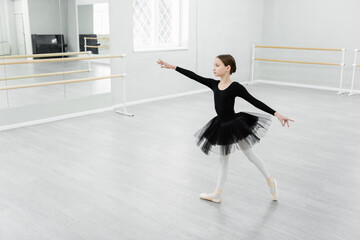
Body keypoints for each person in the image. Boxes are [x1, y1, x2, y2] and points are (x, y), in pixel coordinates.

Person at [157, 55, 294, 203]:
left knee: (250, 156)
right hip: (221, 126)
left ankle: (270, 180)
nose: (213, 68)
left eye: (217, 65)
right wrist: (173, 67)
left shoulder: (236, 87)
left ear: (227, 68)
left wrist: (276, 114)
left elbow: (254, 101)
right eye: (213, 65)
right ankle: (217, 193)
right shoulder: (214, 84)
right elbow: (194, 76)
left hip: (235, 125)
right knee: (223, 161)